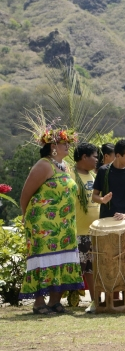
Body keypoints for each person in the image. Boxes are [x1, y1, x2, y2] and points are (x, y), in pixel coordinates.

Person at [19, 127, 83, 314]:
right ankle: (39, 302)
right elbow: (26, 194)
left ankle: (55, 300)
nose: (68, 146)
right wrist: (26, 216)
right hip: (42, 222)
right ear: (53, 146)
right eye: (64, 144)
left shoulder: (65, 167)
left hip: (64, 223)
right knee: (42, 258)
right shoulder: (44, 165)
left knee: (63, 256)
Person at [72, 143, 100, 313]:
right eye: (95, 156)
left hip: (94, 232)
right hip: (77, 232)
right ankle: (61, 301)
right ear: (84, 157)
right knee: (75, 270)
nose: (97, 160)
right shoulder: (70, 175)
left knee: (92, 270)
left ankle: (96, 301)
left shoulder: (93, 176)